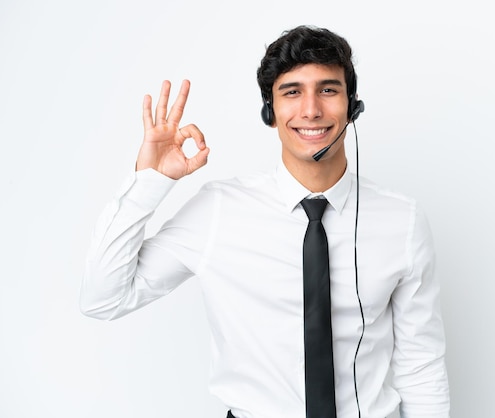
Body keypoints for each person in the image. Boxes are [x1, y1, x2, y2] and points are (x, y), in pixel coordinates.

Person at [81, 25, 450, 418]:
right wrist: (149, 182)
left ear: (353, 105)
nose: (311, 110)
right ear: (270, 112)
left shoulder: (403, 220)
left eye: (328, 89)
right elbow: (103, 299)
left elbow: (421, 367)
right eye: (292, 92)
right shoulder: (218, 211)